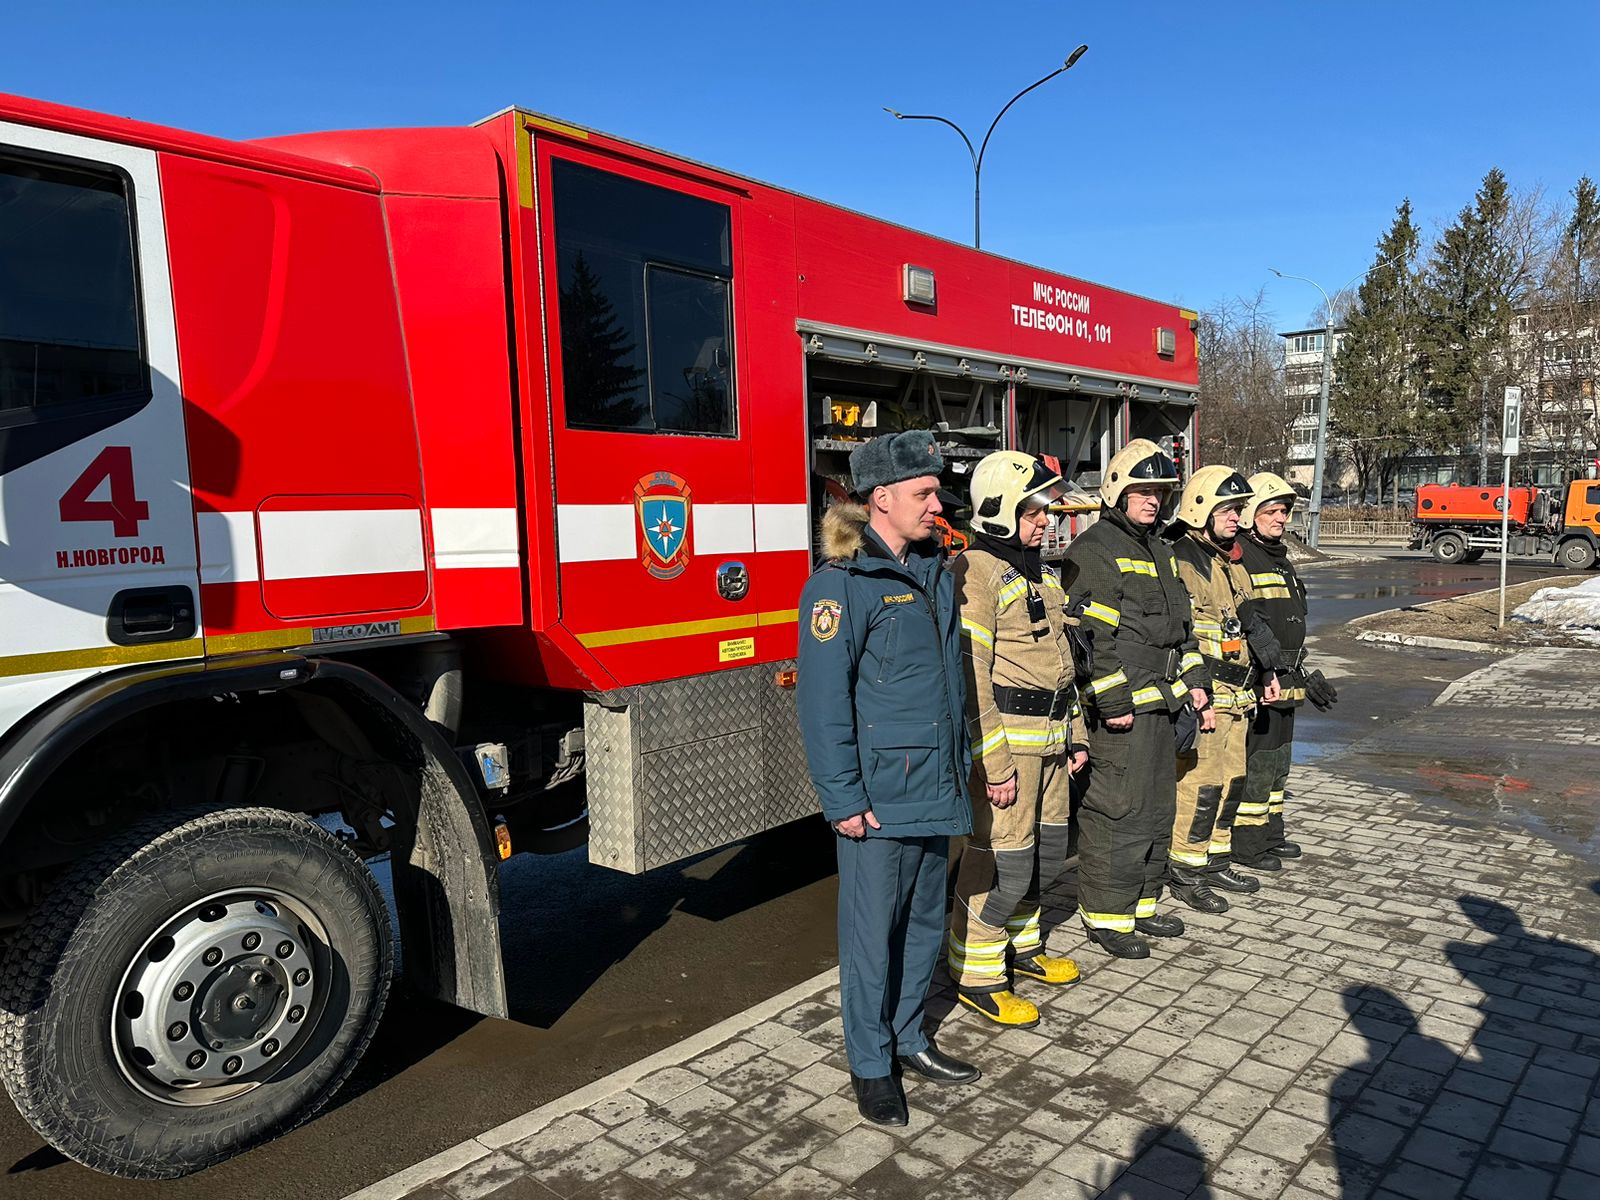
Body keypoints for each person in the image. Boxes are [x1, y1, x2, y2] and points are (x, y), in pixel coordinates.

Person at [796, 429, 979, 1128]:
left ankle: (909, 1038)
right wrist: (842, 798)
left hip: (934, 787)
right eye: (924, 492)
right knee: (872, 939)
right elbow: (822, 703)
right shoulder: (840, 585)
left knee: (923, 927)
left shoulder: (934, 572)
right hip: (877, 799)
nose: (937, 504)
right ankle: (872, 1066)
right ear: (881, 499)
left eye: (936, 490)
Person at [947, 451, 1090, 1028]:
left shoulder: (1036, 569)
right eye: (1034, 511)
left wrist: (1077, 733)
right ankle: (977, 975)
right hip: (1013, 748)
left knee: (1047, 853)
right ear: (1001, 510)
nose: (1046, 521)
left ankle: (1023, 948)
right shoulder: (974, 572)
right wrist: (995, 764)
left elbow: (1060, 660)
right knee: (999, 860)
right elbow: (970, 674)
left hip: (1055, 741)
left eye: (1046, 510)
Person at [1061, 439, 1201, 959]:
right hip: (1125, 713)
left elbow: (1182, 629)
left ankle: (1141, 904)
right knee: (1117, 811)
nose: (1153, 501)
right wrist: (1113, 703)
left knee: (1155, 809)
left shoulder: (1160, 549)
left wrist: (1198, 681)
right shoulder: (1094, 550)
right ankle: (1105, 916)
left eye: (1161, 493)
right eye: (1143, 491)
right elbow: (1088, 640)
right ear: (1117, 492)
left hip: (1164, 705)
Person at [1164, 467, 1282, 914]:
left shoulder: (1226, 560)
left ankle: (1215, 857)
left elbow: (1247, 624)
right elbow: (1180, 634)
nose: (1237, 517)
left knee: (1232, 781)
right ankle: (1186, 870)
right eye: (1228, 510)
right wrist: (1196, 693)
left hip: (1239, 694)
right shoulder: (1182, 559)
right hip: (1206, 695)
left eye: (1238, 509)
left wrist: (1268, 671)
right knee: (1201, 786)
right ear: (1200, 510)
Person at [1232, 473, 1336, 867]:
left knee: (1278, 764)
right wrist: (1264, 671)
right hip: (1262, 680)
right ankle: (1248, 843)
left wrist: (1305, 673)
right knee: (1257, 763)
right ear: (1249, 515)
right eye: (1271, 511)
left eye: (1284, 510)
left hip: (1287, 677)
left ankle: (1270, 833)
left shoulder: (1279, 558)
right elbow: (1247, 623)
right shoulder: (1241, 555)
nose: (1281, 518)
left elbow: (1288, 622)